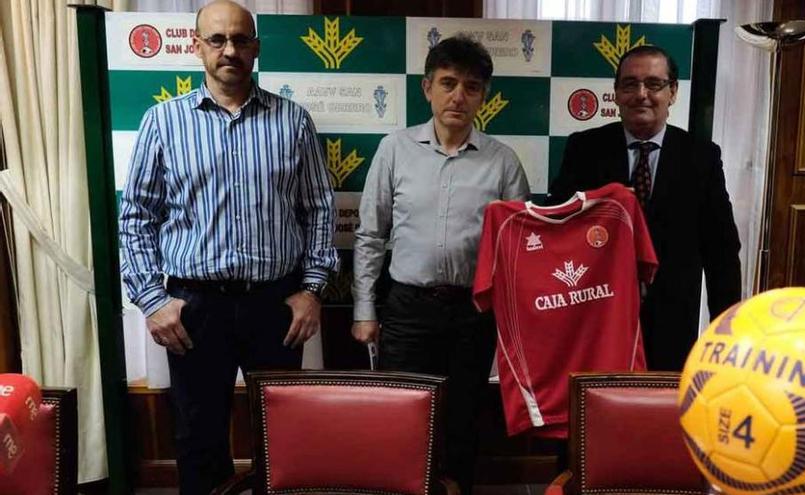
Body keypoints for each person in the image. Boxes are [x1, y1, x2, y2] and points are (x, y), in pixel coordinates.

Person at [119, 1, 337, 493]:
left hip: (275, 305)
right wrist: (153, 302)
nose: (230, 50)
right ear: (197, 47)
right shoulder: (163, 122)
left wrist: (312, 290)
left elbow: (319, 210)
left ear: (256, 47)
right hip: (195, 308)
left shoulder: (293, 121)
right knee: (199, 438)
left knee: (282, 435)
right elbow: (136, 217)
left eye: (241, 39)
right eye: (217, 40)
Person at [351, 35, 530, 494]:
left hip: (473, 313)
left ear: (483, 96)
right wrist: (365, 311)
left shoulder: (503, 161)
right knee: (403, 415)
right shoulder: (395, 150)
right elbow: (370, 235)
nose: (458, 96)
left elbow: (520, 250)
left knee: (463, 420)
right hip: (408, 308)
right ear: (427, 87)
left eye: (471, 87)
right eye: (448, 83)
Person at [548, 45, 741, 371]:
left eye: (653, 84)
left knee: (660, 414)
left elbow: (721, 250)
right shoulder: (584, 148)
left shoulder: (701, 156)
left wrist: (727, 332)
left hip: (673, 318)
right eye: (629, 84)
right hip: (597, 314)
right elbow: (558, 226)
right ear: (616, 93)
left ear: (673, 91)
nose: (641, 94)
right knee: (597, 408)